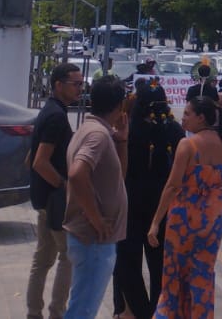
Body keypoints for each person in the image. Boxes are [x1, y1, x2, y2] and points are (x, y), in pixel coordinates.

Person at [148, 96, 222, 318]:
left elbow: (172, 186)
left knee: (175, 275)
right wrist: (210, 183)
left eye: (188, 113)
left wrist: (155, 222)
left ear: (201, 118)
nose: (184, 117)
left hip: (184, 218)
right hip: (212, 218)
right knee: (202, 274)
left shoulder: (187, 144)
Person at [63, 74, 131, 319]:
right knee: (83, 310)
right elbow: (76, 174)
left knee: (82, 306)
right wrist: (96, 218)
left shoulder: (97, 131)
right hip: (94, 240)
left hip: (94, 240)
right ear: (119, 105)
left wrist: (121, 140)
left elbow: (117, 177)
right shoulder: (97, 135)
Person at [114, 83, 184, 319]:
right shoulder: (174, 130)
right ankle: (158, 310)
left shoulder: (128, 130)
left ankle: (136, 310)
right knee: (160, 267)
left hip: (130, 207)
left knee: (127, 262)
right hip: (163, 209)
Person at [28, 62, 84, 319]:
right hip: (55, 201)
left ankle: (33, 313)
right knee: (67, 257)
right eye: (76, 84)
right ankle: (56, 313)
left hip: (44, 199)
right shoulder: (56, 117)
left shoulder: (50, 111)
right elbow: (39, 161)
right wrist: (63, 186)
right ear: (59, 85)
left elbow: (30, 158)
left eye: (82, 84)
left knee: (43, 260)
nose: (80, 88)